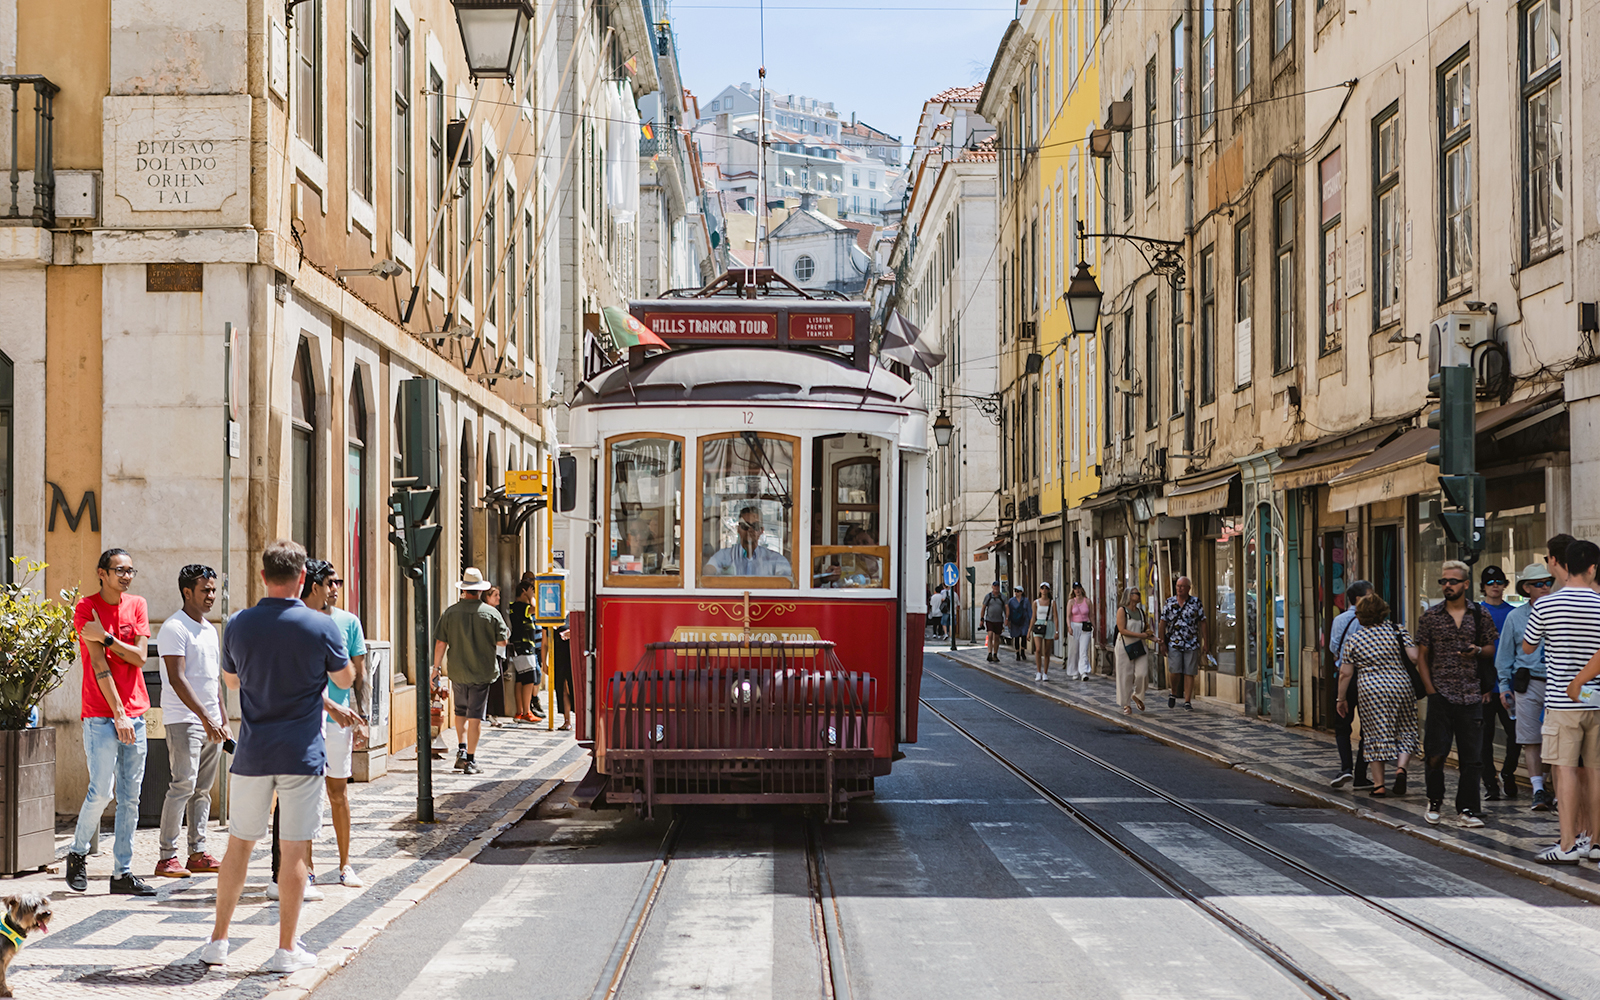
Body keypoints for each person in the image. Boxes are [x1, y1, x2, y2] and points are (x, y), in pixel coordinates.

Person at [202, 540, 353, 972]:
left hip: (252, 752)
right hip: (301, 754)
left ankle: (218, 941)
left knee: (238, 848)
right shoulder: (322, 626)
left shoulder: (238, 624)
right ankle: (286, 950)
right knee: (294, 851)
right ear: (303, 578)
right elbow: (344, 675)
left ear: (263, 576)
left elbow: (230, 684)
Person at [65, 548, 156, 897]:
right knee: (102, 790)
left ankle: (123, 872)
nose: (126, 576)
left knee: (131, 797)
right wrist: (118, 713)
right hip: (102, 715)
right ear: (101, 573)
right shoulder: (86, 609)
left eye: (131, 570)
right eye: (119, 570)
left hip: (137, 712)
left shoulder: (137, 605)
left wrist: (105, 637)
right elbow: (101, 667)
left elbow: (140, 656)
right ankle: (77, 853)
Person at [1523, 539, 1600, 863]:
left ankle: (1567, 845)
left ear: (1563, 565)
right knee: (1596, 771)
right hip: (1596, 700)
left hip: (1561, 701)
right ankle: (1595, 843)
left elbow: (1528, 647)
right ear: (1593, 568)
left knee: (1564, 770)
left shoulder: (1545, 605)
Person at [154, 565, 229, 880]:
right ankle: (166, 857)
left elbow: (214, 681)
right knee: (182, 786)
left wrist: (223, 721)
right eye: (205, 590)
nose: (211, 596)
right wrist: (205, 718)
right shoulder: (174, 628)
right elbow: (177, 679)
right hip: (185, 719)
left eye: (213, 590)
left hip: (211, 722)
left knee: (203, 790)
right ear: (187, 592)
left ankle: (197, 853)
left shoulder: (210, 629)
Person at [1415, 558, 1499, 828]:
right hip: (1441, 694)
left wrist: (1476, 651)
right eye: (1443, 581)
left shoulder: (1479, 614)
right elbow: (1422, 657)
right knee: (1436, 753)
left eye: (1452, 581)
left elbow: (1490, 649)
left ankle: (1468, 809)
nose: (1447, 585)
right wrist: (1431, 691)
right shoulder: (1430, 617)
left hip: (1471, 695)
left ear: (1465, 584)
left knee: (1472, 758)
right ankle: (1435, 801)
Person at [1337, 593, 1420, 797]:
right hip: (1401, 686)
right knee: (1406, 728)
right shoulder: (1397, 630)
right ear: (1384, 612)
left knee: (1375, 734)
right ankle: (1401, 768)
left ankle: (1379, 786)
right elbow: (1414, 657)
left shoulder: (1355, 639)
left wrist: (1341, 699)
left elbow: (1345, 673)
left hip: (1370, 690)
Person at [317, 561, 367, 889]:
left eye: (338, 582)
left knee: (339, 792)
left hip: (341, 718)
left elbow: (359, 675)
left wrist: (363, 720)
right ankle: (303, 866)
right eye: (329, 582)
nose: (335, 588)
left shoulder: (349, 622)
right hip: (306, 717)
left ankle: (345, 864)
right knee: (304, 795)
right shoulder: (302, 621)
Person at [434, 567, 510, 774]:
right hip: (481, 671)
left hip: (458, 671)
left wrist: (436, 668)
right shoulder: (491, 613)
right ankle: (470, 760)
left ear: (464, 590)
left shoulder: (450, 612)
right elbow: (502, 640)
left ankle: (461, 748)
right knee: (475, 715)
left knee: (460, 711)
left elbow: (441, 642)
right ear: (479, 591)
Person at [1497, 561, 1556, 812]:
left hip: (1558, 682)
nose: (1544, 587)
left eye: (1548, 582)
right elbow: (1505, 655)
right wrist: (1502, 686)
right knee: (1531, 738)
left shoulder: (1559, 611)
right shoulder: (1515, 616)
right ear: (1526, 588)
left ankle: (1552, 787)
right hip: (1528, 681)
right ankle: (1538, 789)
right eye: (1538, 584)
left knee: (1556, 739)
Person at [1477, 565, 1520, 800]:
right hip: (1485, 688)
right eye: (1490, 583)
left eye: (1499, 582)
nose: (1495, 586)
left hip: (1511, 685)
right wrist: (1481, 685)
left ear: (1505, 585)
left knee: (1516, 735)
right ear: (1483, 587)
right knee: (1485, 739)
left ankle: (1509, 772)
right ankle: (1490, 783)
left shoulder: (1514, 613)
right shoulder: (1476, 614)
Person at [1328, 580, 1374, 789]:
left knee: (1342, 725)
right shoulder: (1373, 620)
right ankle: (1361, 774)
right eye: (1370, 595)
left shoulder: (1339, 620)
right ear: (1359, 598)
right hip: (1368, 677)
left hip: (1345, 676)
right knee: (1369, 727)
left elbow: (1333, 648)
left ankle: (1346, 768)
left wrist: (1340, 696)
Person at [1158, 577, 1208, 711]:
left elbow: (1202, 622)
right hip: (1174, 642)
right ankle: (1173, 692)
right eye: (1178, 586)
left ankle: (1187, 701)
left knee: (1189, 672)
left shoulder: (1196, 602)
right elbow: (1162, 623)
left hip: (1191, 642)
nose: (1179, 588)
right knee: (1175, 670)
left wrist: (1205, 642)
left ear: (1188, 588)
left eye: (1182, 586)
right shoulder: (1169, 602)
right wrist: (1161, 642)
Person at [702, 506, 792, 579]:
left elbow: (787, 582)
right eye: (745, 525)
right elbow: (707, 573)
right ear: (738, 529)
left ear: (761, 530)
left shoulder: (775, 559)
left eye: (755, 526)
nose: (750, 530)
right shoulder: (724, 555)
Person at [508, 580, 546, 722]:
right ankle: (526, 712)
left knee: (520, 679)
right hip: (524, 647)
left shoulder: (515, 607)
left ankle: (520, 711)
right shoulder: (521, 606)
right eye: (531, 591)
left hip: (520, 648)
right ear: (524, 591)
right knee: (529, 680)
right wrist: (531, 597)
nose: (533, 594)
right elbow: (535, 609)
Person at [1115, 588, 1154, 715]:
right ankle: (1126, 704)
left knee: (1142, 673)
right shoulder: (1122, 610)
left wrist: (1154, 638)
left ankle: (1137, 695)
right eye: (1136, 593)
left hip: (1139, 645)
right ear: (1129, 596)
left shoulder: (1141, 612)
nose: (1139, 595)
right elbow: (1122, 630)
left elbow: (1146, 630)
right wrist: (1140, 635)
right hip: (1125, 645)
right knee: (1125, 676)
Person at [1065, 583, 1093, 681]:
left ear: (1081, 589)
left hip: (1085, 626)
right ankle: (1074, 671)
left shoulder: (1088, 601)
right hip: (1074, 626)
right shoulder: (1071, 602)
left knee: (1083, 650)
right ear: (1073, 590)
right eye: (1075, 589)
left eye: (1078, 588)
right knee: (1074, 650)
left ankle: (1084, 671)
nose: (1077, 590)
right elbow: (1068, 615)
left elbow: (1091, 615)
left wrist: (1094, 626)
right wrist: (1069, 626)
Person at [1031, 582, 1058, 682]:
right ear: (1040, 590)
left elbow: (1056, 617)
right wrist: (1029, 630)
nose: (1044, 590)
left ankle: (1045, 672)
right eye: (1042, 588)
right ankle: (1038, 672)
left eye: (1046, 588)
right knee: (1038, 649)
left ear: (1049, 590)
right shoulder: (1036, 602)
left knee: (1047, 651)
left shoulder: (1052, 603)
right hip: (1038, 625)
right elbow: (1033, 617)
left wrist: (1057, 631)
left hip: (1049, 625)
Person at [552, 620, 575, 731]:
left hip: (574, 657)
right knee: (563, 689)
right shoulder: (551, 616)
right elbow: (545, 642)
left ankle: (581, 720)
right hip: (559, 657)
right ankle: (567, 721)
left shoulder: (574, 615)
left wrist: (573, 632)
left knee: (575, 689)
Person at [981, 582, 1007, 662]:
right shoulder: (988, 596)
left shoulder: (1003, 597)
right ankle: (989, 652)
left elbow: (1006, 607)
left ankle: (995, 654)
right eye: (994, 586)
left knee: (996, 637)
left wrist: (1007, 618)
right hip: (989, 619)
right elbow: (983, 608)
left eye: (997, 586)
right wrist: (981, 619)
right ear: (992, 587)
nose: (996, 588)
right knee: (990, 634)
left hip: (999, 620)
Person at [1005, 585, 1030, 660]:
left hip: (1024, 621)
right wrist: (1008, 620)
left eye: (1018, 591)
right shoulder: (1011, 601)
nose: (1016, 593)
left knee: (1023, 636)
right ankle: (1017, 653)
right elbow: (1008, 611)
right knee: (1016, 637)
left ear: (1022, 592)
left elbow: (1029, 611)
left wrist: (1031, 620)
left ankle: (1022, 650)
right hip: (1015, 621)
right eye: (1015, 591)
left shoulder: (1025, 601)